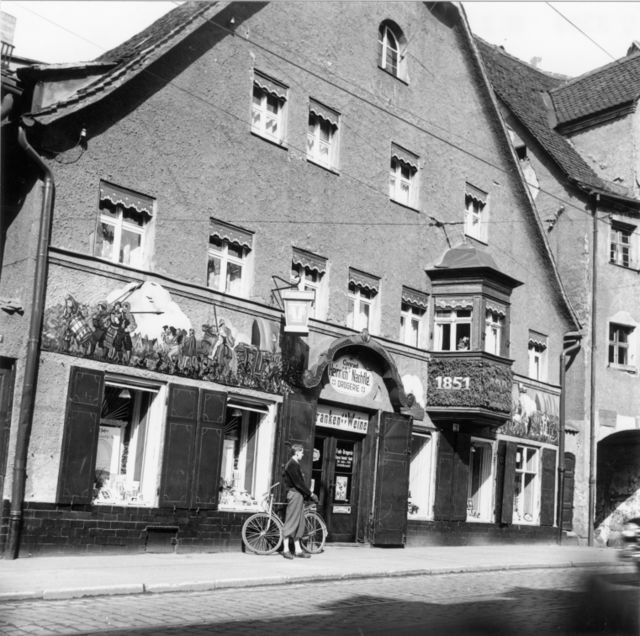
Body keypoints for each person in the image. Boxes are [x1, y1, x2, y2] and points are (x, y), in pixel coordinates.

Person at [282, 443, 318, 559]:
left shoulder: (295, 464)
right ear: (297, 452)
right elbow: (298, 483)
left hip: (298, 495)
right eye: (302, 452)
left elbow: (299, 483)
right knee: (291, 521)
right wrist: (311, 494)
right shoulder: (292, 464)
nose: (303, 455)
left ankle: (298, 550)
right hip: (295, 495)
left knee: (299, 523)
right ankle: (285, 549)